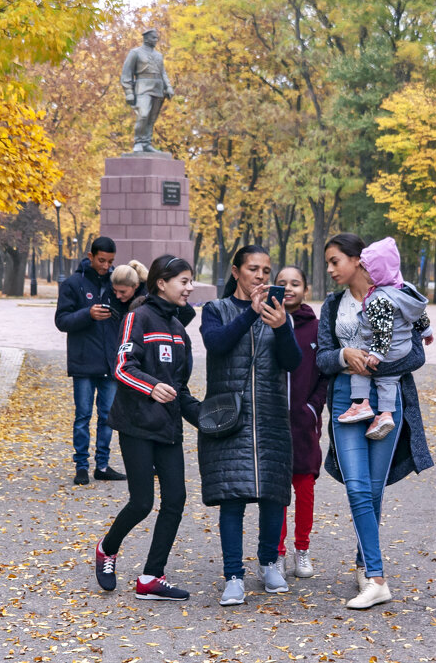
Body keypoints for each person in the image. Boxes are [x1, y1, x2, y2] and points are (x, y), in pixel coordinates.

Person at [317, 233, 432, 610]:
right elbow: (321, 358)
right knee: (356, 486)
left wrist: (374, 363)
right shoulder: (333, 306)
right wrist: (344, 356)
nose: (330, 269)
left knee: (374, 489)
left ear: (359, 261)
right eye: (329, 262)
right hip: (345, 401)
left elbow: (416, 355)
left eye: (336, 261)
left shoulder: (395, 296)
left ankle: (365, 565)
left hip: (388, 402)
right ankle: (377, 578)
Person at [198, 245, 302, 607]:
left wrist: (282, 327)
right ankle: (232, 576)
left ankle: (269, 564)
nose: (260, 276)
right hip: (229, 417)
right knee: (233, 498)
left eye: (265, 270)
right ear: (237, 271)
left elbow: (292, 362)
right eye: (253, 269)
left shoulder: (279, 315)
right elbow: (217, 344)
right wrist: (249, 316)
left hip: (271, 416)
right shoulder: (216, 309)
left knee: (273, 495)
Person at [96, 255, 201, 601]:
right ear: (161, 283)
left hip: (168, 428)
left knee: (176, 499)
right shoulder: (137, 318)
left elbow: (180, 389)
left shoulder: (178, 329)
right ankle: (107, 549)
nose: (189, 287)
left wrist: (205, 419)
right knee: (142, 502)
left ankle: (151, 577)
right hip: (137, 424)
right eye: (183, 281)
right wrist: (151, 386)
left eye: (191, 281)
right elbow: (123, 368)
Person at [337, 238, 432, 441]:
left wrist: (376, 354)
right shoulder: (405, 289)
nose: (363, 273)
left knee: (360, 367)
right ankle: (385, 415)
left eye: (366, 270)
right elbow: (418, 313)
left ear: (377, 272)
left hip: (385, 350)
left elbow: (382, 330)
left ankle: (360, 404)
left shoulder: (379, 299)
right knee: (388, 380)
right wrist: (426, 331)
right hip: (403, 349)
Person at [54, 237, 127, 485]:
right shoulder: (73, 284)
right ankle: (82, 466)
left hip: (110, 363)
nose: (106, 266)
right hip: (84, 362)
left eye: (110, 261)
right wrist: (88, 314)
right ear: (91, 256)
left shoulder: (117, 283)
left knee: (108, 417)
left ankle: (103, 465)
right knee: (83, 416)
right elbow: (61, 321)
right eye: (102, 260)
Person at [273, 265, 327, 579]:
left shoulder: (317, 328)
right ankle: (276, 553)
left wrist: (312, 407)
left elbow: (325, 375)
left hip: (305, 425)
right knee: (278, 493)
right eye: (282, 283)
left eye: (295, 283)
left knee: (304, 490)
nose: (289, 288)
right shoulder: (266, 323)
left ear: (305, 289)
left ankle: (302, 550)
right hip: (274, 424)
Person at [120, 28, 174, 153]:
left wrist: (169, 87)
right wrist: (128, 92)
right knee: (143, 115)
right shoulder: (135, 53)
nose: (156, 40)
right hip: (142, 88)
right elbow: (126, 73)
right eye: (154, 37)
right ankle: (138, 142)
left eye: (157, 38)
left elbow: (163, 73)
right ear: (146, 38)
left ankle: (146, 143)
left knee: (151, 118)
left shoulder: (159, 55)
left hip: (158, 88)